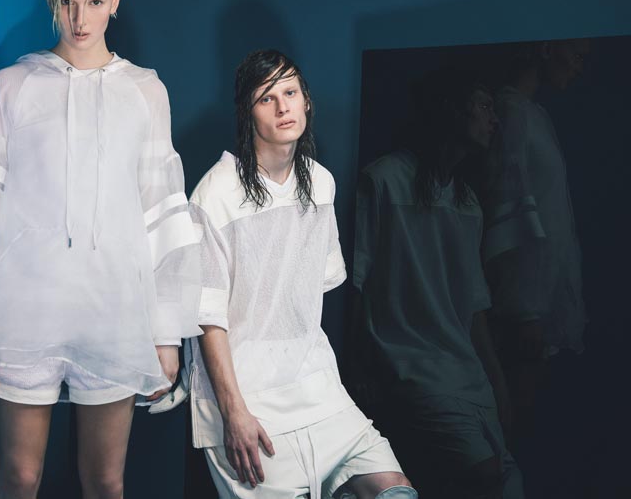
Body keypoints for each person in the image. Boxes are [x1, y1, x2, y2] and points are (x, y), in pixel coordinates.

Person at [0, 0, 200, 498]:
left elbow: (162, 211)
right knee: (18, 475)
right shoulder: (11, 86)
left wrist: (165, 332)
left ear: (116, 0)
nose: (80, 19)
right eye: (67, 2)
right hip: (25, 311)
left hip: (114, 312)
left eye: (95, 2)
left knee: (105, 480)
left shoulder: (146, 91)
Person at [187, 49, 414, 499]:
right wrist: (234, 411)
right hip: (248, 399)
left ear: (306, 100)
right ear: (247, 112)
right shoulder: (214, 195)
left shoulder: (320, 182)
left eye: (290, 92)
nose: (282, 107)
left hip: (318, 389)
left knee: (396, 492)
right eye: (266, 98)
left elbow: (308, 298)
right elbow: (207, 317)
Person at [352, 68, 522, 499]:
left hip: (466, 373)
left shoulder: (467, 202)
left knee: (509, 482)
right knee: (485, 475)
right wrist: (360, 367)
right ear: (453, 111)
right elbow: (355, 282)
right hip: (412, 369)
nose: (493, 119)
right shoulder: (384, 181)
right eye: (483, 106)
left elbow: (474, 304)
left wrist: (498, 384)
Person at [481, 40, 590, 432]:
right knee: (511, 411)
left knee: (527, 413)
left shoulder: (536, 113)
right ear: (546, 48)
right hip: (524, 295)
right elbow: (508, 202)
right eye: (576, 55)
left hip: (545, 287)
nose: (579, 67)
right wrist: (524, 306)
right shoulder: (510, 111)